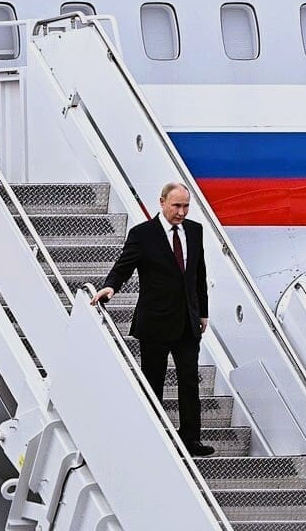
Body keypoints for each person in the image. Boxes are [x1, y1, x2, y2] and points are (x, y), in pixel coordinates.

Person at [91, 182, 214, 457]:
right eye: (176, 206)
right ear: (161, 202)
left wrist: (203, 311)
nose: (181, 212)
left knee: (189, 380)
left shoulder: (195, 231)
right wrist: (110, 287)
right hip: (155, 322)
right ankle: (149, 436)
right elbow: (124, 266)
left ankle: (191, 439)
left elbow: (199, 274)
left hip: (186, 321)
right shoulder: (142, 235)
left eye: (185, 206)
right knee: (153, 381)